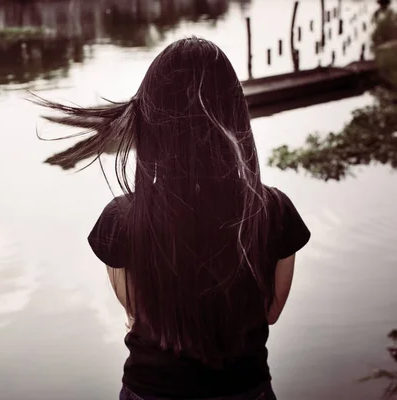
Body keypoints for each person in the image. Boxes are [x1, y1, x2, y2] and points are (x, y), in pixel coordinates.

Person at [36, 37, 311, 400]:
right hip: (246, 389)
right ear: (234, 113)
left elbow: (135, 311)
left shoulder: (121, 219)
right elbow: (270, 311)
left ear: (152, 120)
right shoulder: (273, 210)